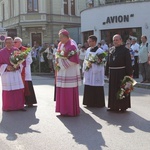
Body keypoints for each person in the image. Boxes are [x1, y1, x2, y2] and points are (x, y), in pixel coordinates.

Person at [55, 29, 81, 116]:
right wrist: (57, 60)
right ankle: (63, 109)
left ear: (66, 37)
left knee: (68, 90)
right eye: (60, 37)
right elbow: (58, 54)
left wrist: (61, 64)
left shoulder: (72, 45)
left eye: (61, 37)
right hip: (62, 71)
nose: (60, 39)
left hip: (69, 71)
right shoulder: (61, 44)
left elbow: (74, 60)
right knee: (62, 89)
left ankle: (70, 110)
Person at [105, 34, 133, 112]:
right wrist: (106, 71)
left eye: (117, 40)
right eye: (114, 40)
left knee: (121, 89)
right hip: (113, 73)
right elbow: (108, 62)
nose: (115, 41)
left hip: (122, 73)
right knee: (113, 89)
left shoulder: (125, 50)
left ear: (121, 40)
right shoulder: (111, 49)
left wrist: (129, 74)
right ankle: (113, 106)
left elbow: (128, 63)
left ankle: (122, 106)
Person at [0, 37, 26, 111]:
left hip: (15, 73)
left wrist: (17, 65)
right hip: (7, 74)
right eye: (7, 42)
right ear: (5, 43)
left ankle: (19, 106)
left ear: (12, 43)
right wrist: (6, 66)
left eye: (10, 42)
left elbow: (22, 61)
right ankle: (8, 107)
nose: (9, 44)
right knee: (8, 90)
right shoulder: (1, 52)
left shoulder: (16, 50)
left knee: (18, 89)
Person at [82, 35, 105, 107]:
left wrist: (94, 65)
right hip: (89, 71)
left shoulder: (100, 51)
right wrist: (86, 66)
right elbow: (85, 59)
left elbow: (102, 62)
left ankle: (98, 103)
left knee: (96, 85)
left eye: (90, 41)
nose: (88, 42)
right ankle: (89, 102)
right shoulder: (88, 50)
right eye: (88, 41)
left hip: (96, 72)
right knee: (89, 85)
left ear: (94, 42)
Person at [14, 37, 37, 107]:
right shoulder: (13, 50)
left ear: (20, 43)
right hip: (17, 70)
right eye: (14, 42)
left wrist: (20, 61)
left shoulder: (26, 50)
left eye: (15, 42)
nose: (14, 43)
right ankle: (19, 101)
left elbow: (30, 60)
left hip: (25, 70)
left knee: (27, 85)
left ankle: (29, 101)